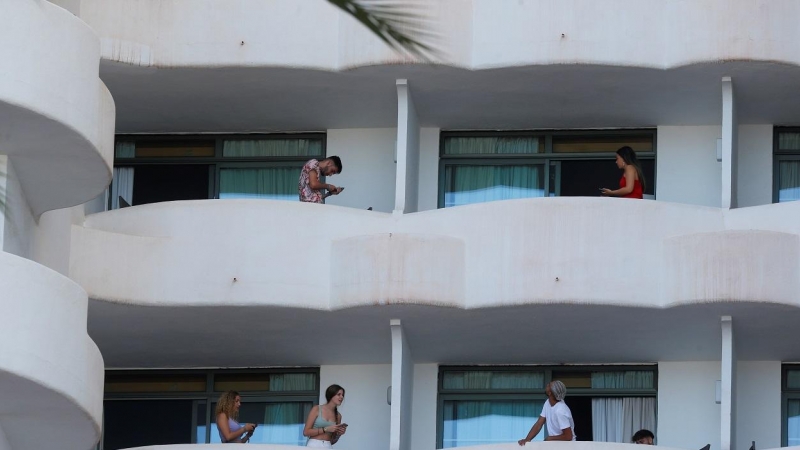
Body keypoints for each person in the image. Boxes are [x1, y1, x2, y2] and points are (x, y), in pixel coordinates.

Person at [518, 380, 576, 445]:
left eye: (549, 385)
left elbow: (568, 436)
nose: (547, 385)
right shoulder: (548, 403)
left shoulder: (560, 411)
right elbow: (539, 423)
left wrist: (550, 438)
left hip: (567, 446)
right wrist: (527, 439)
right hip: (556, 445)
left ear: (549, 393)